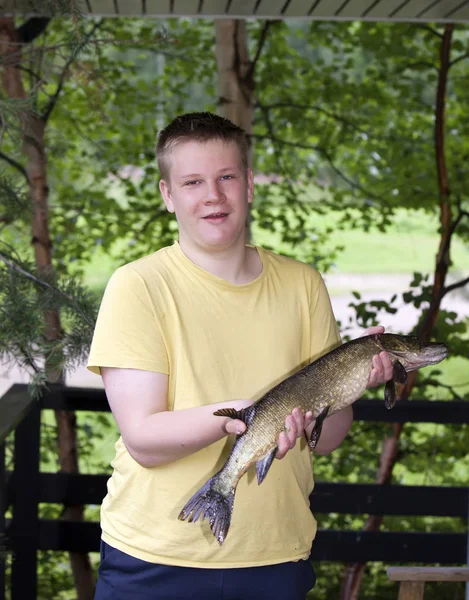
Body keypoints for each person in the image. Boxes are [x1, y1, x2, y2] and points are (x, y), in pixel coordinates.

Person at [87, 111, 392, 600]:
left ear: (249, 185)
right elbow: (144, 438)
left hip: (276, 551)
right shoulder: (138, 286)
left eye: (227, 176)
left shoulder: (302, 284)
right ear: (168, 196)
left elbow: (329, 437)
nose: (213, 194)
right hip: (156, 555)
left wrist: (354, 379)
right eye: (192, 182)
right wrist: (245, 419)